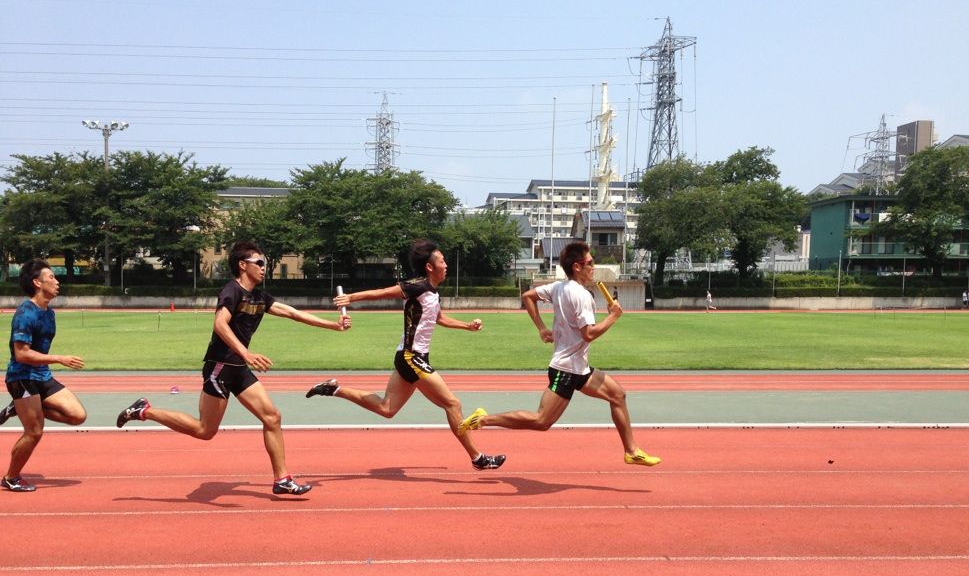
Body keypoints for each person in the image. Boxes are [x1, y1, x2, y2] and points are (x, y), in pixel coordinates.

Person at [115, 242, 351, 496]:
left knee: (272, 417)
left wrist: (333, 325)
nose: (264, 267)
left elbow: (291, 312)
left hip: (238, 369)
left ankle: (282, 479)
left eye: (264, 263)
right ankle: (145, 411)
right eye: (259, 263)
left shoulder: (260, 297)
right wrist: (246, 353)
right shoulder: (232, 291)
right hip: (220, 367)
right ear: (242, 265)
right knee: (205, 431)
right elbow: (220, 323)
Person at [305, 239, 506, 471]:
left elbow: (440, 319)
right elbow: (382, 293)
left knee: (386, 409)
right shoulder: (417, 285)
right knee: (453, 403)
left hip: (411, 357)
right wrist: (352, 298)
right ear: (430, 267)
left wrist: (467, 326)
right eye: (442, 261)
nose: (446, 264)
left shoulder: (432, 291)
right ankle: (477, 457)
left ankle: (333, 389)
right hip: (412, 357)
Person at [457, 242, 660, 467]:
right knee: (541, 421)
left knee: (618, 395)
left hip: (578, 368)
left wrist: (541, 329)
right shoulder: (582, 296)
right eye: (590, 263)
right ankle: (483, 419)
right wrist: (613, 316)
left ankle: (631, 451)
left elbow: (528, 296)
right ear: (577, 266)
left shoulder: (558, 287)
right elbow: (589, 334)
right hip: (566, 369)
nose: (593, 266)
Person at [1, 260, 87, 492]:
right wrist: (59, 358)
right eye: (51, 277)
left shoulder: (49, 312)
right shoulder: (25, 314)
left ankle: (15, 408)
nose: (57, 281)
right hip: (22, 377)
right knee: (34, 432)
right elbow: (21, 354)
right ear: (37, 283)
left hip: (41, 375)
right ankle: (11, 477)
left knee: (77, 416)